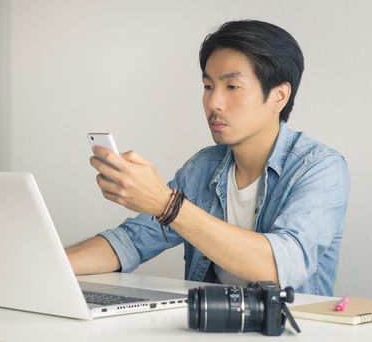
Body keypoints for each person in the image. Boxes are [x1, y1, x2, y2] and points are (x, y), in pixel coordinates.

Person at [66, 20, 350, 296]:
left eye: (232, 87)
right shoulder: (203, 167)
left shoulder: (320, 168)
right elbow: (131, 241)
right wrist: (41, 265)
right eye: (208, 86)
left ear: (279, 95)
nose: (214, 103)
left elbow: (278, 266)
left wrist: (167, 205)